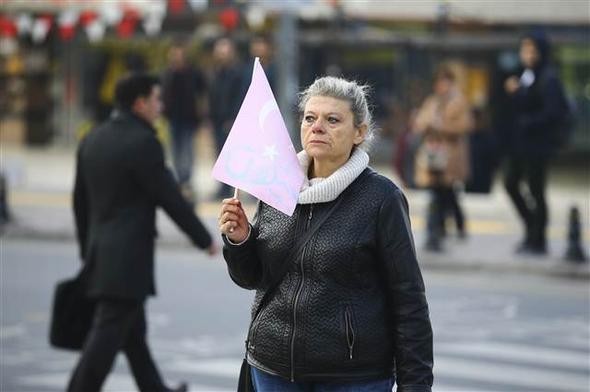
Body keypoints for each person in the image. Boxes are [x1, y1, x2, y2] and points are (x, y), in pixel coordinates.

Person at [218, 77, 433, 391]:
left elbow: (408, 300)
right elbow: (253, 278)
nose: (317, 127)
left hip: (351, 377)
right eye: (310, 118)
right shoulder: (279, 184)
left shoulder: (381, 199)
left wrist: (415, 386)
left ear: (360, 132)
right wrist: (240, 240)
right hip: (271, 368)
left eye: (332, 120)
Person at [69, 73, 218, 392]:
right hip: (127, 260)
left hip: (100, 253)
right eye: (156, 100)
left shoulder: (93, 138)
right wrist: (203, 239)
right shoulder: (143, 143)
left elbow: (80, 202)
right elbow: (170, 197)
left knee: (133, 335)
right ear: (140, 103)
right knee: (105, 341)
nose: (160, 107)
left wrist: (87, 249)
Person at [503, 31, 566, 255]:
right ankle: (531, 228)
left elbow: (553, 112)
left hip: (538, 145)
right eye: (524, 49)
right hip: (522, 145)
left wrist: (527, 121)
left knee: (536, 191)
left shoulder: (548, 77)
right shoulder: (526, 75)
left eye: (532, 50)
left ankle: (538, 240)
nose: (527, 54)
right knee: (511, 183)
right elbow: (523, 105)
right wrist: (516, 93)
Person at [413, 65, 474, 250]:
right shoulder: (432, 102)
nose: (441, 86)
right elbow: (419, 123)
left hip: (450, 155)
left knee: (445, 193)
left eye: (445, 82)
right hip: (433, 154)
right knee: (439, 193)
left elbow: (465, 126)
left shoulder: (459, 102)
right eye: (439, 82)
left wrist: (441, 126)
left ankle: (441, 231)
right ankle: (437, 232)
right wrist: (427, 123)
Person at [161, 43, 208, 203]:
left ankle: (186, 180)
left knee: (187, 150)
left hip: (189, 118)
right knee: (175, 150)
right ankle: (179, 180)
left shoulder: (193, 73)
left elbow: (202, 94)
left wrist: (201, 114)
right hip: (173, 118)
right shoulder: (168, 73)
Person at [209, 37, 244, 198]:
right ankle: (222, 187)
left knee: (230, 155)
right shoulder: (215, 72)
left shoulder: (237, 73)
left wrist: (233, 118)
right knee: (219, 153)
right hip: (216, 119)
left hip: (230, 120)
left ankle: (229, 187)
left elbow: (238, 97)